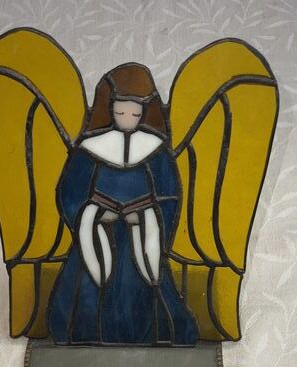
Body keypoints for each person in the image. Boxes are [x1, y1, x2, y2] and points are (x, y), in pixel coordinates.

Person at [48, 63, 198, 346]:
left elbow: (170, 196)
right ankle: (84, 339)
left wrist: (147, 215)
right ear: (108, 109)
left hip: (141, 233)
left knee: (148, 285)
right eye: (120, 112)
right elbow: (69, 193)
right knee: (87, 288)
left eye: (135, 113)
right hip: (97, 232)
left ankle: (158, 337)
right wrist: (93, 213)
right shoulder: (89, 150)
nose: (128, 118)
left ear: (146, 112)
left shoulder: (156, 151)